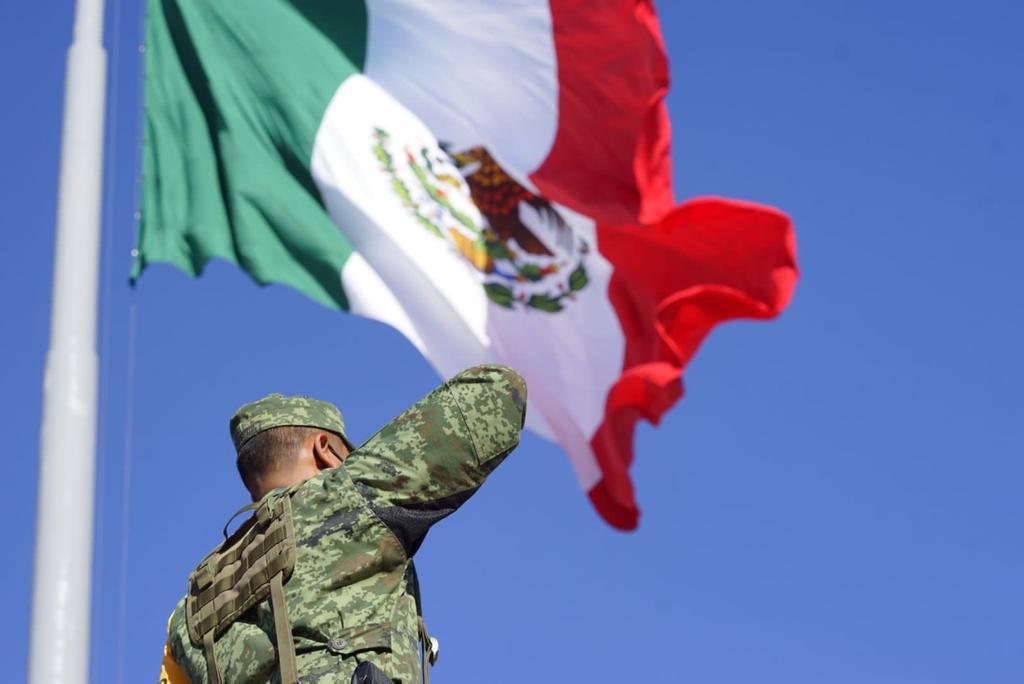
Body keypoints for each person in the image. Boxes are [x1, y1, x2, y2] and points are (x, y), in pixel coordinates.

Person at [159, 364, 527, 683]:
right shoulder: (340, 498)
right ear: (325, 449)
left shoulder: (187, 614)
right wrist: (361, 469)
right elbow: (500, 392)